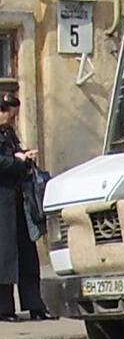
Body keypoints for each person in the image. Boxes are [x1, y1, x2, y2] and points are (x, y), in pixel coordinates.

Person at [0, 92, 57, 322]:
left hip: (19, 201)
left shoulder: (9, 133)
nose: (10, 119)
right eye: (7, 113)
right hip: (2, 204)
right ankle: (4, 309)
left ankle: (36, 305)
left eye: (12, 115)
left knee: (28, 256)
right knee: (5, 259)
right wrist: (18, 161)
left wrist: (26, 159)